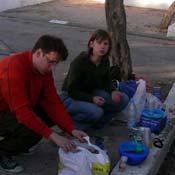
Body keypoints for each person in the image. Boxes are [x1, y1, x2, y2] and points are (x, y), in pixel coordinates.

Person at [0, 35, 87, 173]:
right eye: (51, 62)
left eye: (56, 63)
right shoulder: (14, 67)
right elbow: (22, 112)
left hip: (13, 108)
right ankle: (3, 152)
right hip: (4, 110)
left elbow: (53, 102)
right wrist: (52, 135)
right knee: (34, 131)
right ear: (39, 53)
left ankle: (20, 143)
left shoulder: (43, 70)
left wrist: (71, 129)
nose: (52, 68)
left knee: (48, 116)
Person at [61, 29, 129, 131]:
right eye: (99, 42)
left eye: (106, 44)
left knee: (123, 99)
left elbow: (106, 80)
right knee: (96, 112)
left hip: (91, 92)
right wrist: (92, 99)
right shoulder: (79, 62)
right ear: (91, 44)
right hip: (70, 97)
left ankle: (96, 124)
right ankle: (69, 126)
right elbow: (72, 90)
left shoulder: (104, 60)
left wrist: (113, 91)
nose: (102, 46)